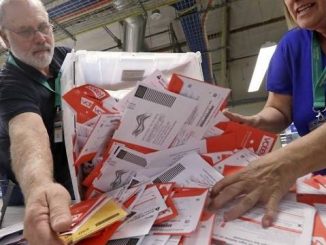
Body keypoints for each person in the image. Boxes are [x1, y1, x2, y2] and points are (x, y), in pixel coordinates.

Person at [206, 0, 326, 228]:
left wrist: (287, 161)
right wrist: (255, 121)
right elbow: (280, 109)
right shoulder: (292, 45)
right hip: (317, 182)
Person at [0, 0, 73, 244]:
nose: (41, 38)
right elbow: (26, 133)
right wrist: (40, 188)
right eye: (26, 31)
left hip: (69, 181)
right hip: (27, 196)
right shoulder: (9, 85)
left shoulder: (66, 58)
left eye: (44, 27)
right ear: (4, 37)